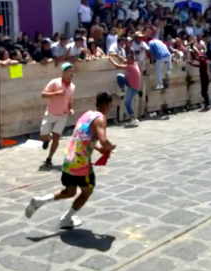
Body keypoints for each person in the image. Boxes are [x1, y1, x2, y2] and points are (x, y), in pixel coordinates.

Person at [25, 92, 116, 229]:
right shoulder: (100, 119)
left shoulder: (86, 115)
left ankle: (40, 201)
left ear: (96, 104)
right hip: (81, 165)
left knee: (70, 192)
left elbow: (83, 138)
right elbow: (104, 141)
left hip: (68, 160)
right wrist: (110, 147)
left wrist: (98, 149)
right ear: (108, 105)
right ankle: (66, 219)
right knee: (87, 191)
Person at [40, 62, 75, 167]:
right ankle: (47, 138)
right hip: (51, 112)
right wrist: (56, 94)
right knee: (42, 136)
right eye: (69, 71)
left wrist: (70, 109)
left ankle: (49, 158)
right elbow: (43, 94)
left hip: (63, 115)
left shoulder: (72, 86)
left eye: (72, 71)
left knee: (57, 137)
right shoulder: (54, 82)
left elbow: (69, 100)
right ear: (63, 72)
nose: (71, 73)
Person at [109, 52, 140, 125]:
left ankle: (133, 118)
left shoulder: (130, 66)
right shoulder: (133, 63)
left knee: (127, 102)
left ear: (132, 60)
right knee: (120, 76)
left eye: (128, 60)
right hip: (131, 82)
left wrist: (110, 59)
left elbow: (117, 66)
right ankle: (122, 89)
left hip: (133, 87)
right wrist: (116, 55)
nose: (127, 61)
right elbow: (123, 59)